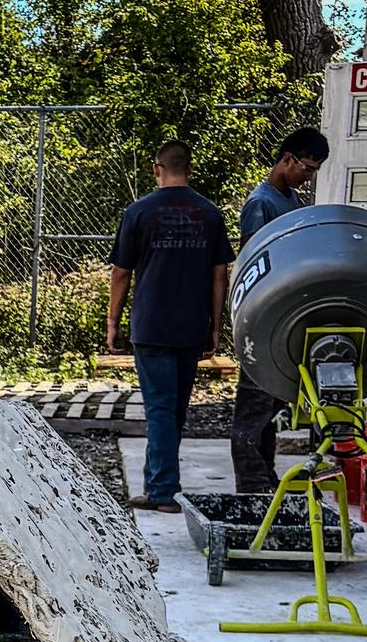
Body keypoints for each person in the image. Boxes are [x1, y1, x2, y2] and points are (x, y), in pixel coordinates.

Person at [106, 140, 234, 513]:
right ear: (189, 169)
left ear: (156, 169)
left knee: (160, 409)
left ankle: (162, 490)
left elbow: (120, 273)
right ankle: (159, 482)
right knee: (174, 410)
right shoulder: (209, 213)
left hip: (152, 324)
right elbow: (219, 274)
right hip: (191, 325)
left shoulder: (139, 212)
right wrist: (216, 325)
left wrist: (113, 322)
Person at [230, 126, 330, 491]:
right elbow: (250, 262)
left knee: (271, 407)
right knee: (254, 412)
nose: (308, 176)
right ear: (287, 159)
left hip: (287, 321)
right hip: (263, 323)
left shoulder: (291, 202)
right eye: (307, 168)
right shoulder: (262, 203)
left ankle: (267, 479)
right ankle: (252, 486)